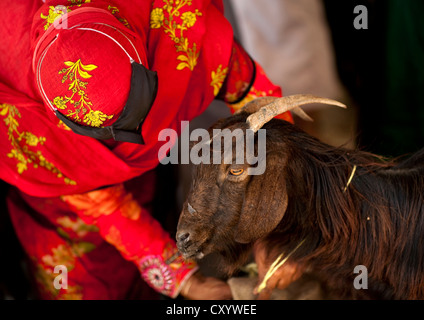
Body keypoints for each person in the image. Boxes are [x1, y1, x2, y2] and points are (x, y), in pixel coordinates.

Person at [0, 0, 291, 299]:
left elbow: (258, 99)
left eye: (142, 108)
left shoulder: (172, 21)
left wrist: (275, 220)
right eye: (116, 128)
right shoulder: (25, 123)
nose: (138, 135)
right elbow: (107, 206)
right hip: (63, 196)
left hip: (142, 179)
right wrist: (185, 280)